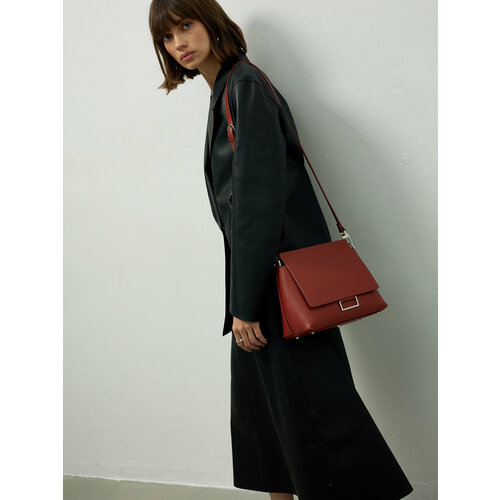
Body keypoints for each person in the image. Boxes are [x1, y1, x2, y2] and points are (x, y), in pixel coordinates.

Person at [149, 1, 414, 499]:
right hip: (263, 278)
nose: (178, 42)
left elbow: (256, 202)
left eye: (185, 25)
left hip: (275, 285)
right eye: (166, 37)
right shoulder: (226, 91)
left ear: (211, 22)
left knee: (315, 418)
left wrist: (244, 305)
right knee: (274, 420)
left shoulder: (244, 86)